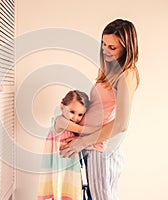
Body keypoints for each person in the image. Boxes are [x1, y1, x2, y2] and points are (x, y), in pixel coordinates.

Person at [60, 19, 140, 200]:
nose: (105, 50)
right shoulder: (108, 70)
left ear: (127, 48)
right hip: (91, 145)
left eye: (113, 47)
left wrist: (82, 142)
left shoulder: (127, 74)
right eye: (104, 44)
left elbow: (121, 124)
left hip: (101, 149)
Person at [37, 90, 100, 200]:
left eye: (80, 114)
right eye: (72, 111)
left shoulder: (70, 123)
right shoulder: (60, 121)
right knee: (59, 189)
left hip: (69, 164)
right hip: (60, 164)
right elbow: (82, 129)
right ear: (62, 107)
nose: (75, 118)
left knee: (70, 191)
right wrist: (102, 130)